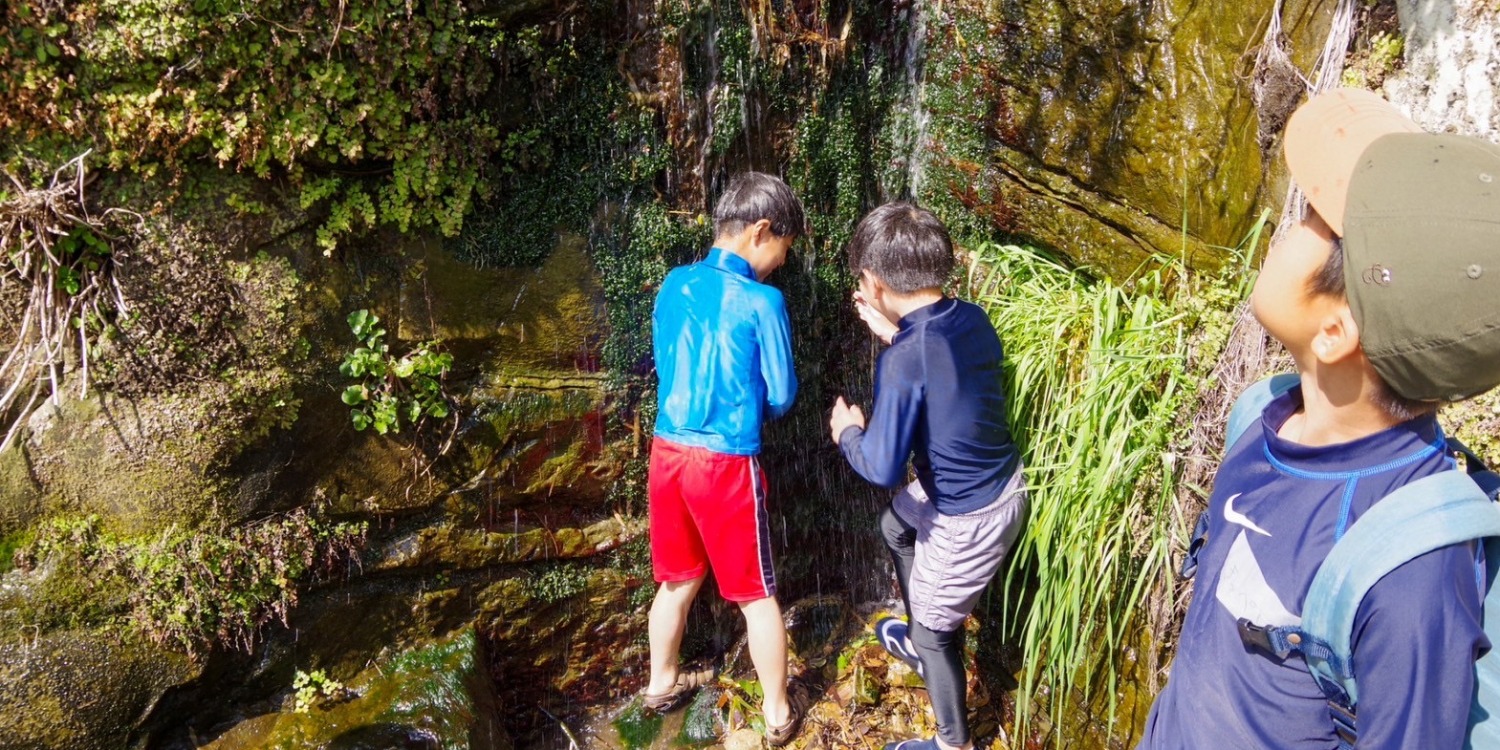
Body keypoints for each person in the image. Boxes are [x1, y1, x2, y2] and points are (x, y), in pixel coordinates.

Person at [1138, 88, 1500, 749]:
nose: (1292, 221)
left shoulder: (1410, 573)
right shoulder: (1264, 414)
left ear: (1335, 331)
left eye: (1313, 217)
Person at [829, 202, 1028, 750]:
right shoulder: (970, 317)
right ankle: (922, 635)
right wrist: (896, 335)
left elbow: (881, 466)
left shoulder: (903, 359)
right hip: (996, 482)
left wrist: (847, 432)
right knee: (895, 526)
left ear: (872, 282)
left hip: (970, 518)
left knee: (936, 632)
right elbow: (936, 362)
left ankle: (950, 740)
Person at [643, 171, 806, 746]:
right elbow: (782, 394)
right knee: (757, 596)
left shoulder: (674, 283)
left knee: (678, 580)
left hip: (667, 452)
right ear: (761, 231)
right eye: (784, 248)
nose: (781, 263)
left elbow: (663, 361)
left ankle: (660, 683)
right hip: (724, 464)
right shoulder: (764, 300)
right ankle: (779, 714)